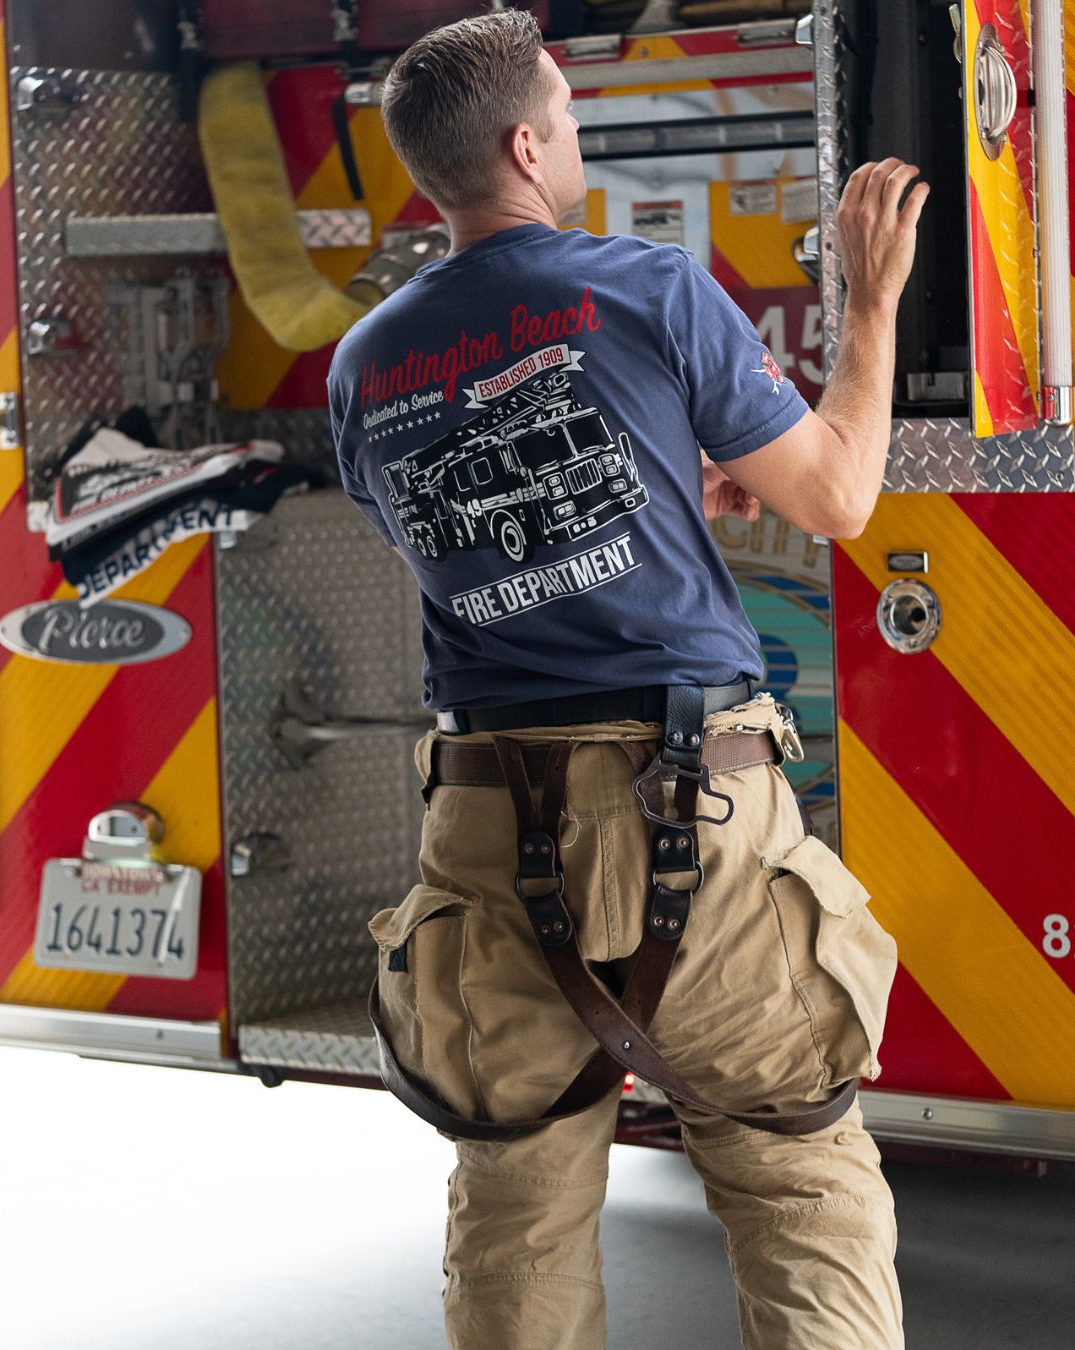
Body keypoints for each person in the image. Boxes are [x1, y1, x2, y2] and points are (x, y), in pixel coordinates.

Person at [328, 11, 927, 1348]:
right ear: (525, 146)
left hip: (485, 833)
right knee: (797, 1181)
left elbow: (480, 549)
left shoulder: (363, 365)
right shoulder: (645, 289)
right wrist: (872, 299)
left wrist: (661, 485)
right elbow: (838, 494)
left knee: (517, 1218)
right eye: (568, 117)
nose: (576, 140)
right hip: (692, 814)